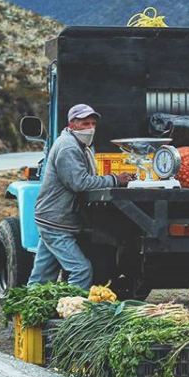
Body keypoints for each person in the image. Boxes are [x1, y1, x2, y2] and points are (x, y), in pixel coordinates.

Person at [27, 104, 132, 289]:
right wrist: (115, 180)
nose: (90, 128)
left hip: (51, 219)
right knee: (80, 270)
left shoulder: (80, 145)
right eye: (85, 123)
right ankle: (72, 313)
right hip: (56, 221)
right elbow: (80, 182)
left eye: (93, 123)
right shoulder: (68, 147)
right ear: (72, 124)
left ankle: (30, 310)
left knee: (42, 275)